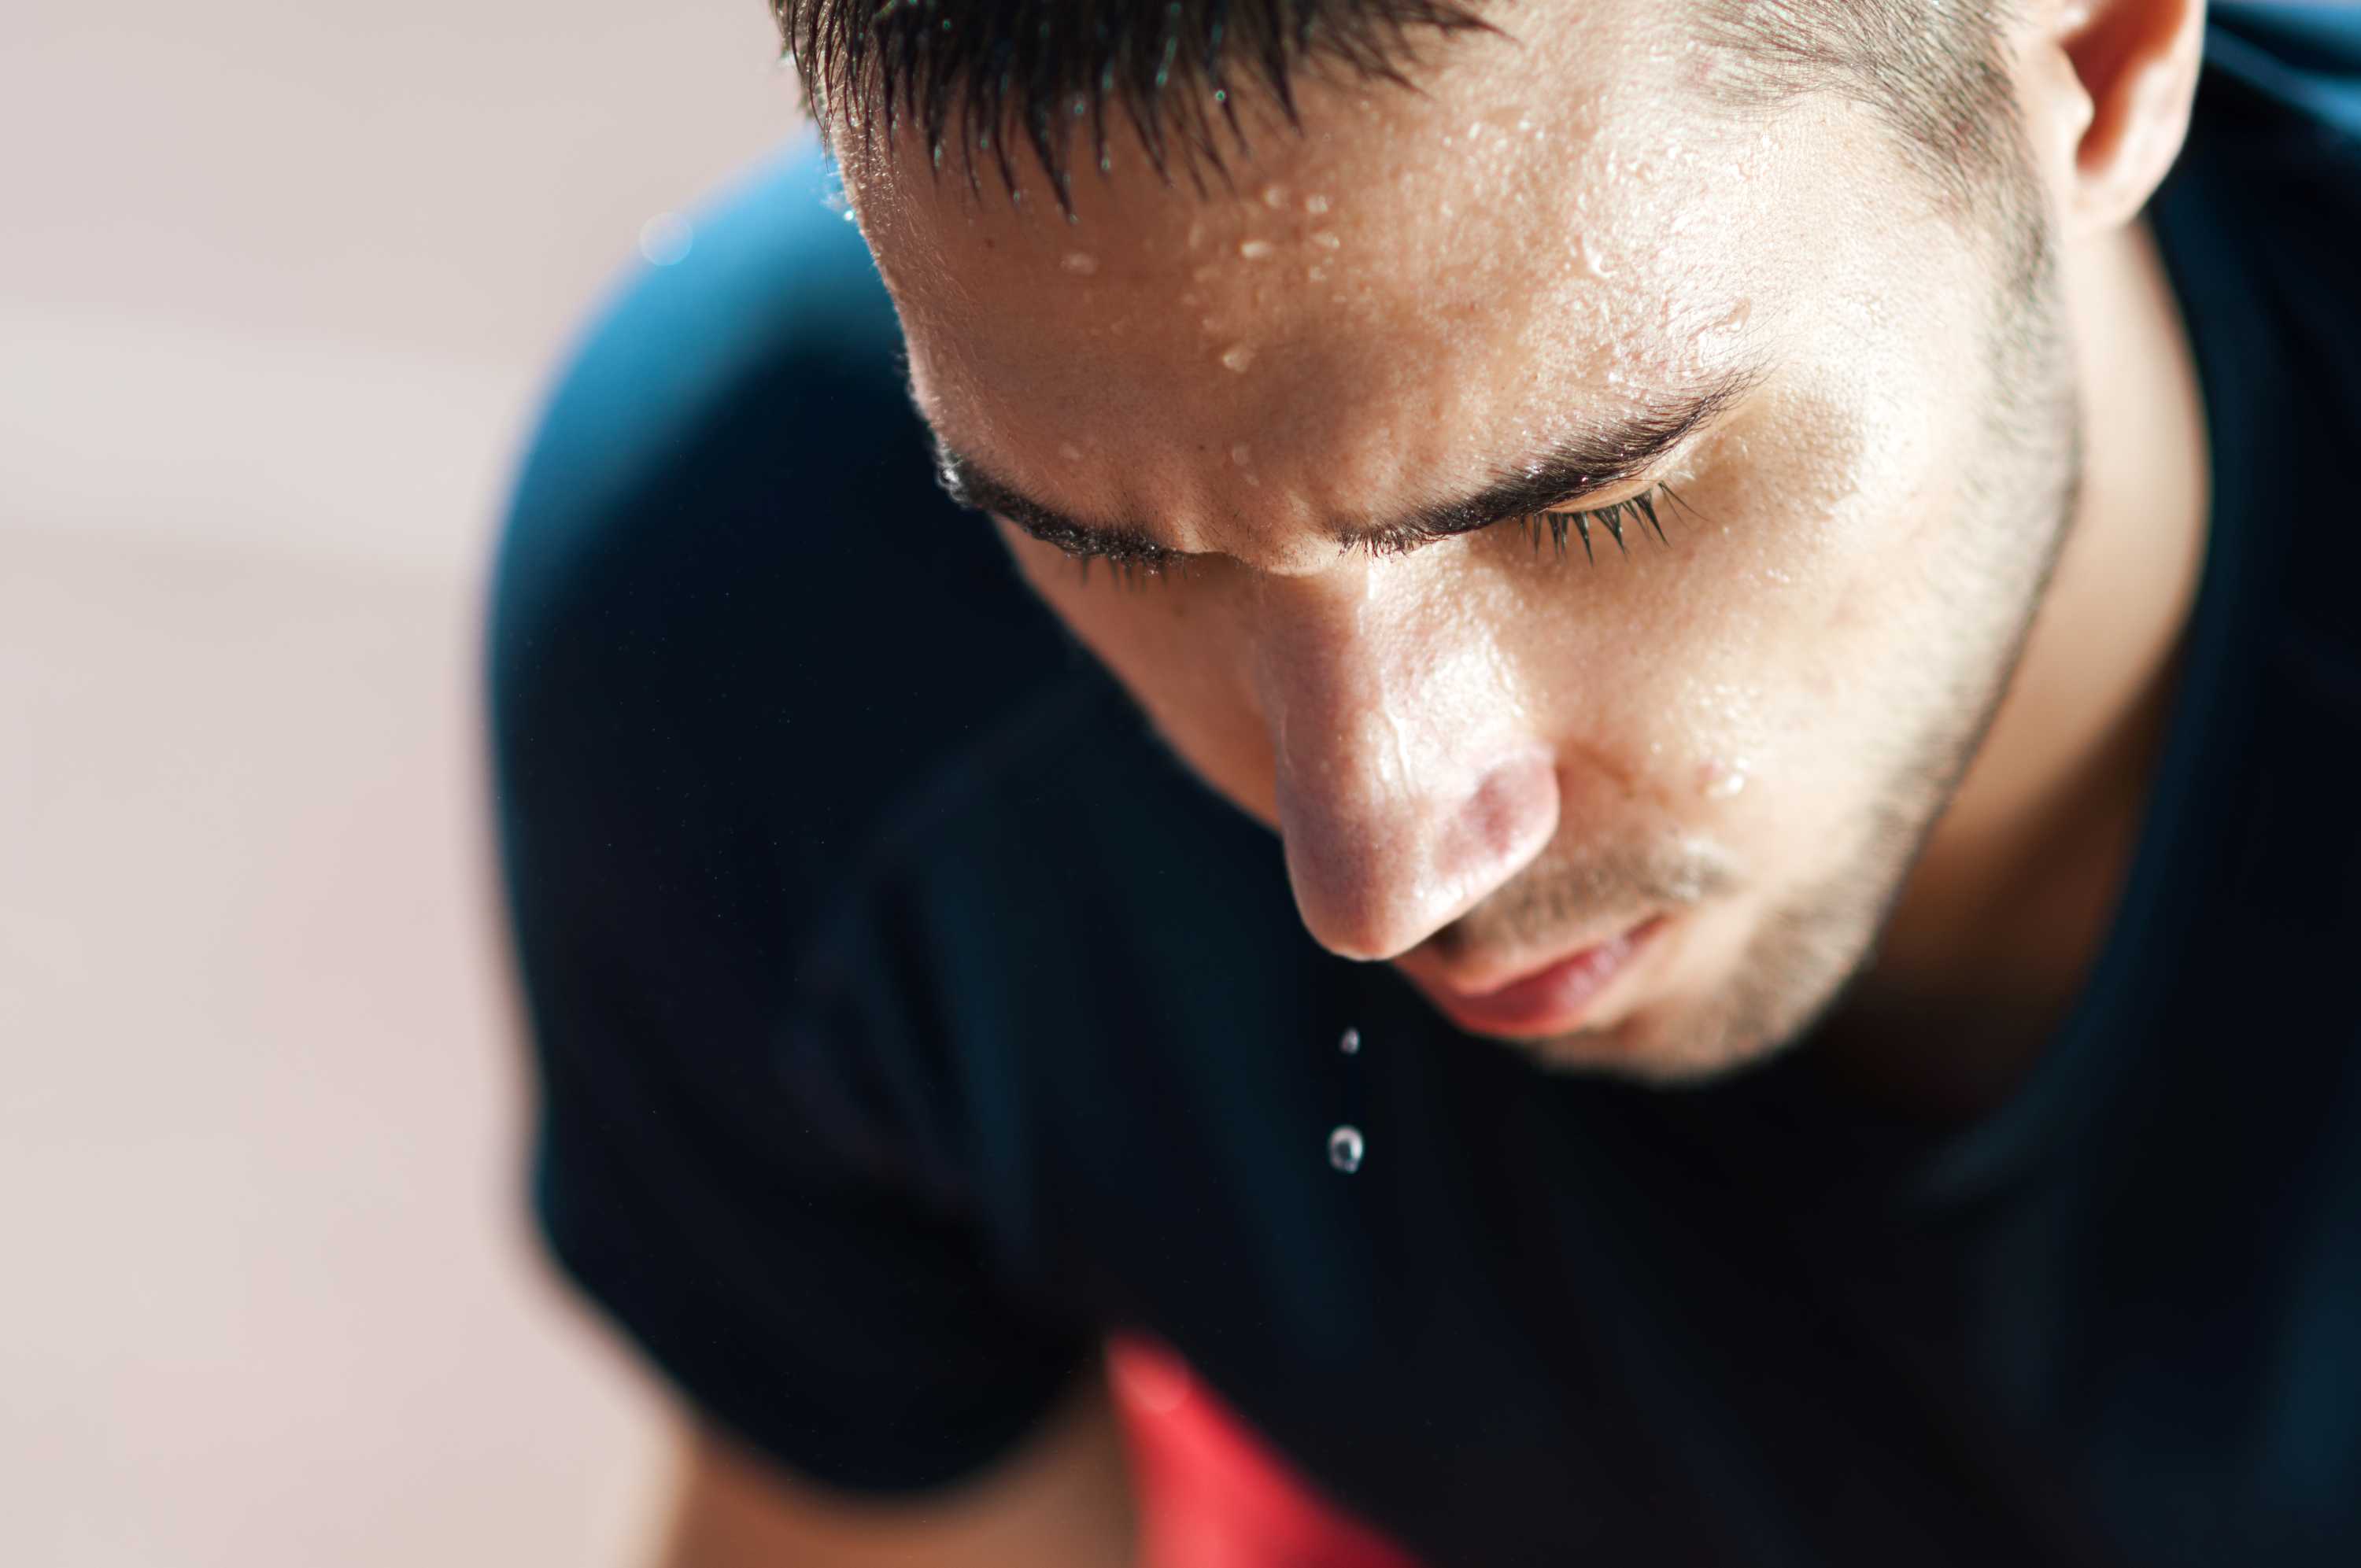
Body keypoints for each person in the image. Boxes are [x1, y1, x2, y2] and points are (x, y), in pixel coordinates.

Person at [485, 0, 2361, 1561]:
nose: (1372, 872)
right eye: (1114, 550)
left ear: (2096, 57)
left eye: (1591, 500)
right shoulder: (788, 618)